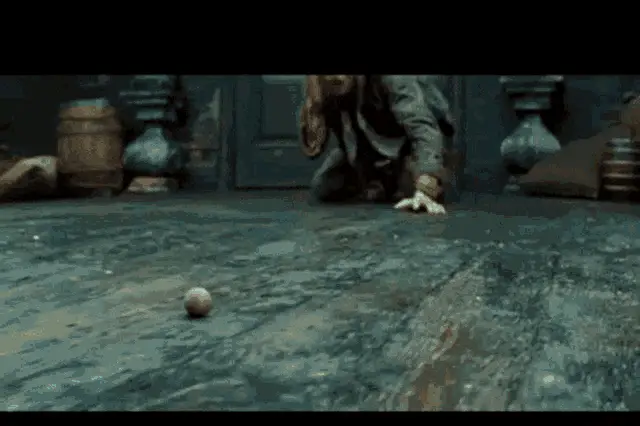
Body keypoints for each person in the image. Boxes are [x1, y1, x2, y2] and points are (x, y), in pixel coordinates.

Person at [300, 75, 455, 215]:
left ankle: (391, 179)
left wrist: (426, 188)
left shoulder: (393, 79)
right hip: (367, 142)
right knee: (325, 185)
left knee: (414, 187)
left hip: (410, 142)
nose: (336, 78)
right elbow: (314, 146)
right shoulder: (322, 84)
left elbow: (423, 130)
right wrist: (315, 106)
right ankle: (380, 180)